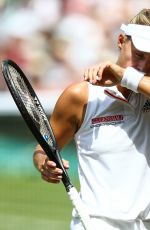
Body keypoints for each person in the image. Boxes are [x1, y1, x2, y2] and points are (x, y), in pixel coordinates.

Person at [33, 8, 150, 230]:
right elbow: (43, 148)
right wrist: (43, 163)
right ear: (120, 40)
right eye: (139, 55)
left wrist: (125, 76)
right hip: (96, 223)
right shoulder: (80, 96)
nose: (143, 66)